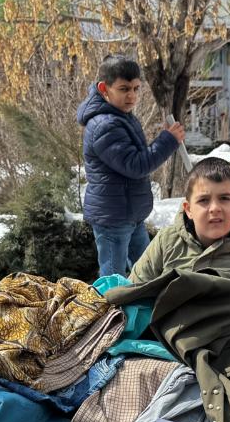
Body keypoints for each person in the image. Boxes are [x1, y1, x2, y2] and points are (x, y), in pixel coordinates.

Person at [77, 54, 185, 277]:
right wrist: (168, 140)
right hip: (113, 217)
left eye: (136, 88)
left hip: (128, 214)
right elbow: (136, 165)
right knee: (113, 279)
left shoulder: (119, 115)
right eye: (124, 89)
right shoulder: (104, 125)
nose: (132, 96)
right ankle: (110, 312)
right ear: (104, 88)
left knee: (146, 271)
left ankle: (144, 310)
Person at [129, 157, 230, 283]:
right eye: (204, 200)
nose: (215, 208)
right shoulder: (167, 242)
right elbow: (133, 289)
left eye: (224, 198)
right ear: (188, 209)